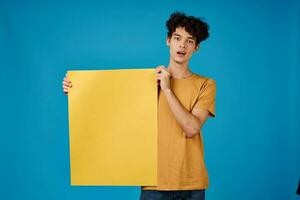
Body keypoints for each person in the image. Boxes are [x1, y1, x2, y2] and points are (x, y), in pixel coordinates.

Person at [62, 11, 216, 200]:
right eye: (177, 38)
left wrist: (167, 89)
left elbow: (192, 128)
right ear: (168, 40)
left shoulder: (206, 84)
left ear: (196, 47)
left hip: (191, 184)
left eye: (189, 41)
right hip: (153, 182)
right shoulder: (145, 82)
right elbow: (110, 109)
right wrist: (77, 89)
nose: (182, 45)